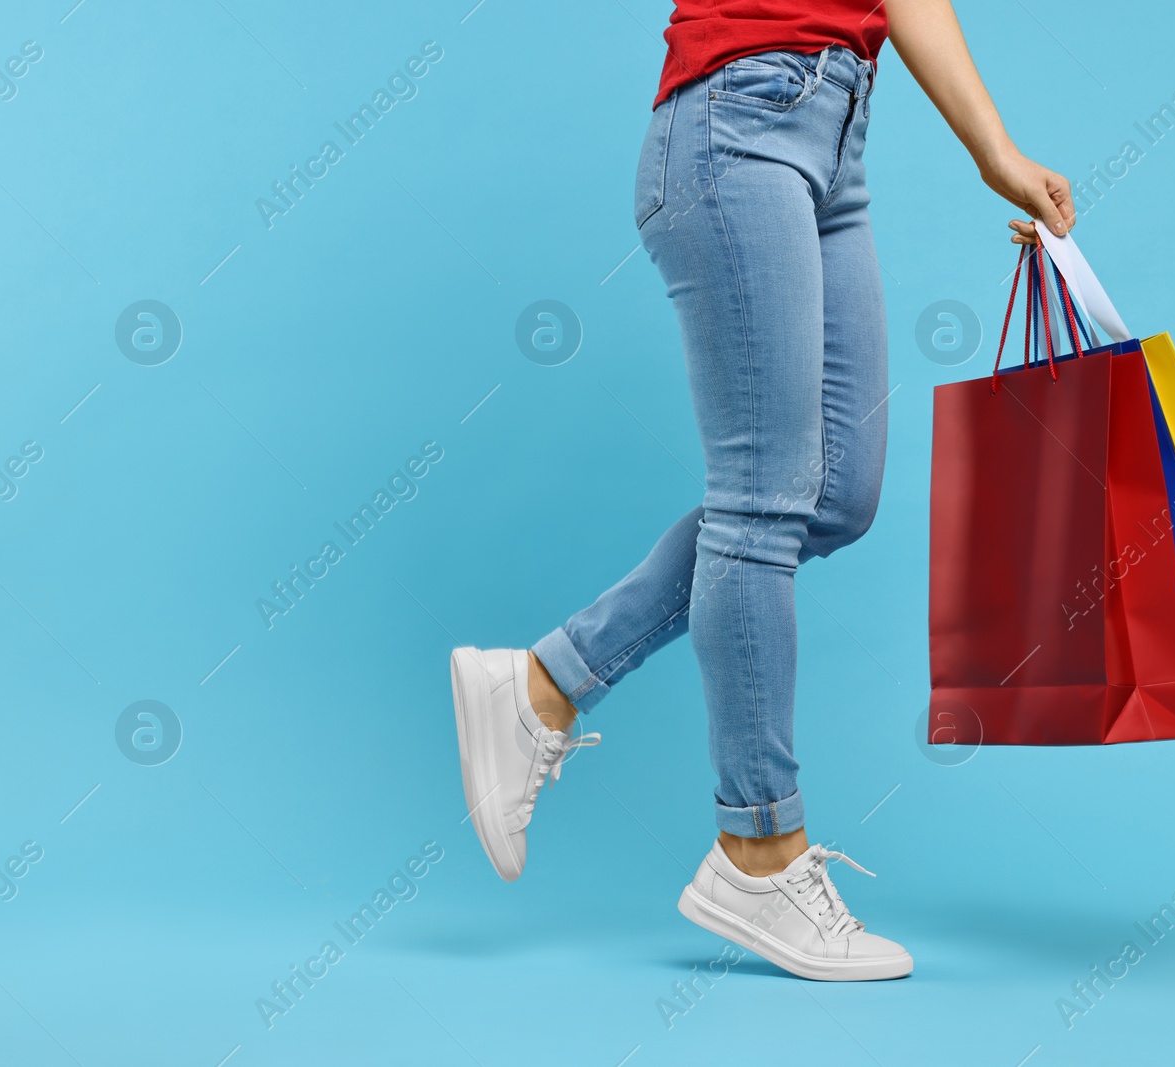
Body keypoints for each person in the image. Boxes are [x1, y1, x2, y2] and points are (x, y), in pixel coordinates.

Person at [450, 0, 1075, 981]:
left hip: (834, 138)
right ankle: (758, 847)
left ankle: (541, 684)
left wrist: (990, 148)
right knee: (762, 494)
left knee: (834, 494)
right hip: (736, 119)